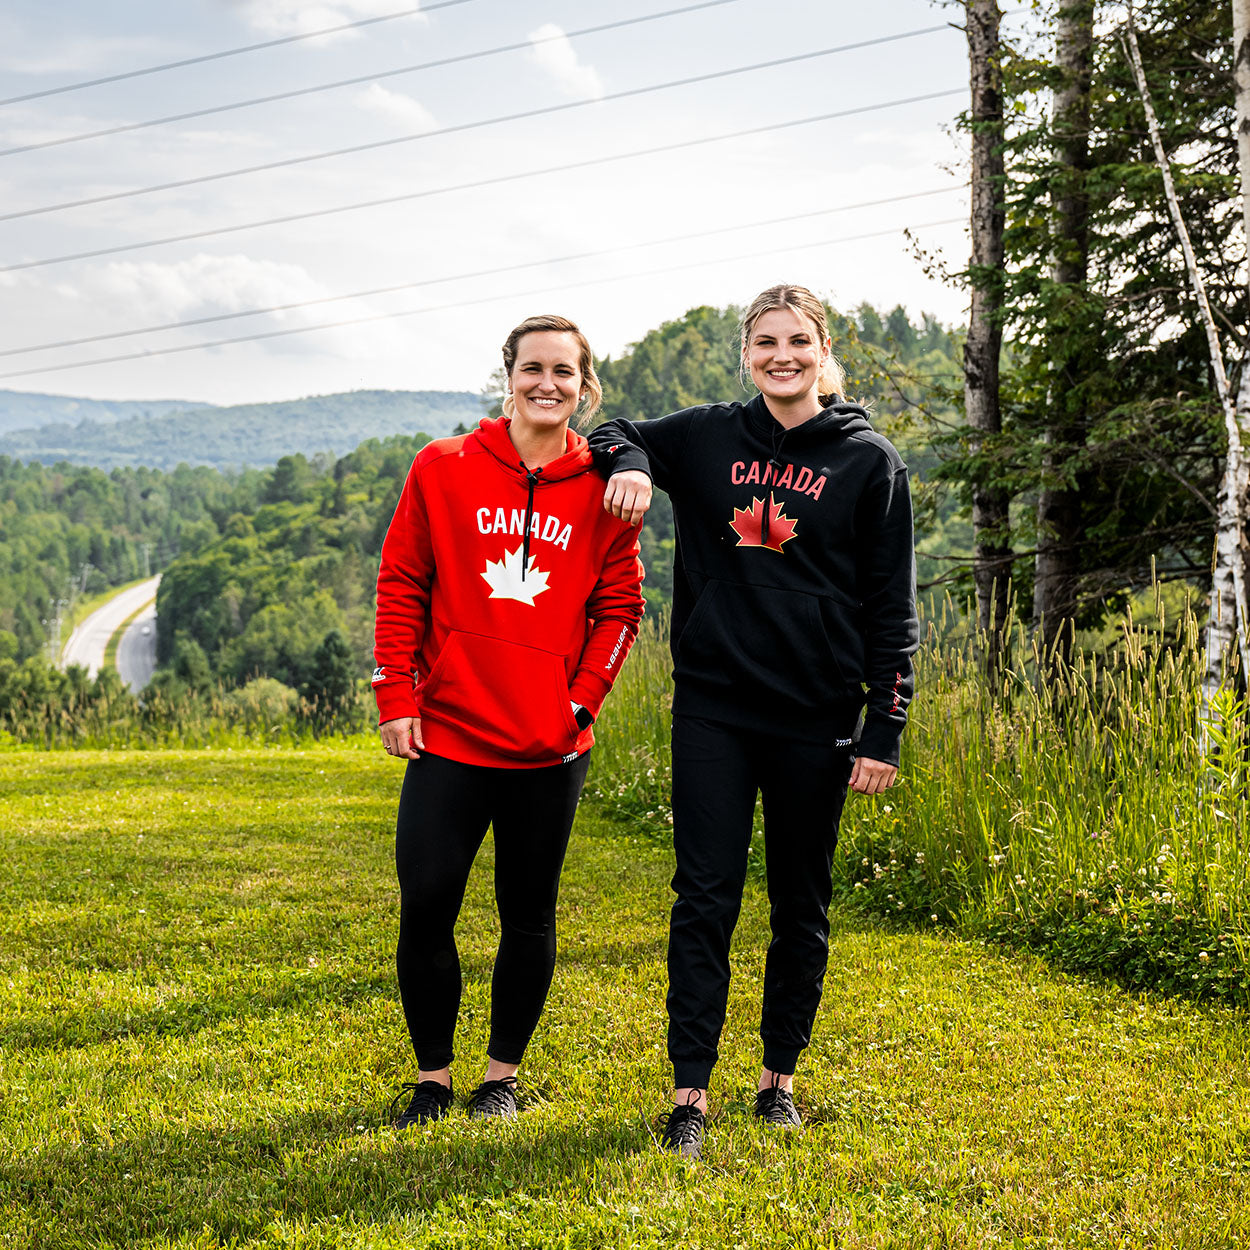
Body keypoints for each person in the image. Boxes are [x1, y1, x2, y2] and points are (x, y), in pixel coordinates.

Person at [589, 283, 918, 1157]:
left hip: (818, 715)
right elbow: (609, 431)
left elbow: (893, 607)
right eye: (766, 342)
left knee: (800, 903)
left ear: (823, 351)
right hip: (715, 708)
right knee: (704, 899)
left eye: (798, 341)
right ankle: (690, 1094)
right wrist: (631, 465)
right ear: (746, 354)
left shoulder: (868, 461)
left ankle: (779, 1082)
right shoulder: (707, 437)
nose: (783, 356)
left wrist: (884, 726)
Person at [373, 314, 645, 1127]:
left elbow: (621, 608)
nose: (547, 384)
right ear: (510, 377)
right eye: (533, 368)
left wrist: (580, 702)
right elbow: (402, 582)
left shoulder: (606, 488)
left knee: (529, 913)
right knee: (427, 904)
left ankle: (500, 1079)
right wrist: (397, 697)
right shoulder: (444, 466)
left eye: (564, 372)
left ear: (585, 387)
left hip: (548, 745)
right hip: (450, 733)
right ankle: (432, 1079)